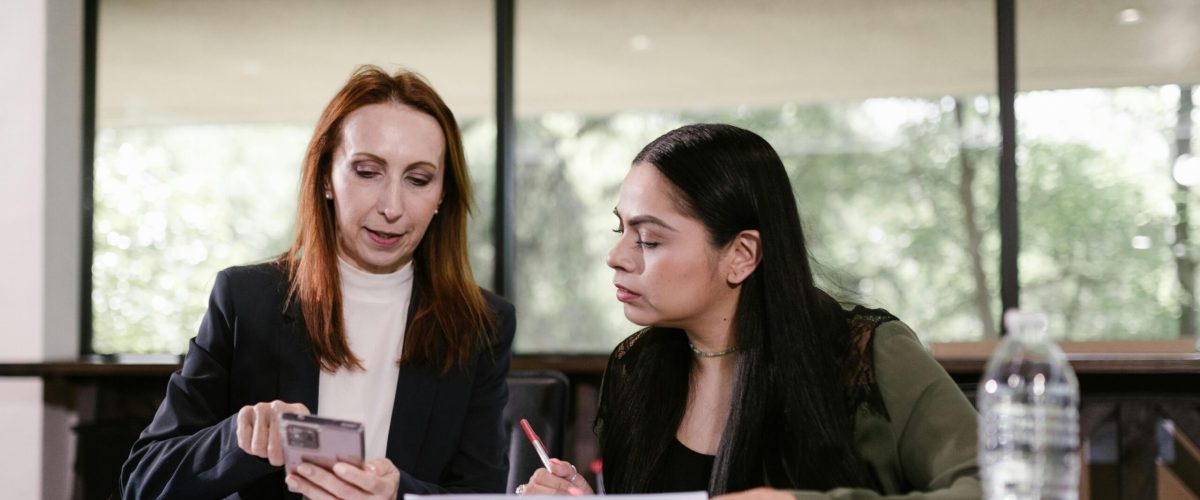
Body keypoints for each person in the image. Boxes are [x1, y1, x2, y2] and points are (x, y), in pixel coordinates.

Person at [518, 124, 980, 499]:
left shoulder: (866, 352)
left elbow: (998, 485)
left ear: (741, 254)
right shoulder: (633, 367)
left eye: (649, 239)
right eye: (620, 228)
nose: (616, 255)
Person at [121, 66, 515, 499]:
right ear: (327, 176)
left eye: (418, 179)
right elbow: (143, 480)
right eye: (368, 172)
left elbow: (480, 493)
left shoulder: (482, 323)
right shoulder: (247, 300)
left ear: (442, 196)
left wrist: (399, 494)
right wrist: (240, 437)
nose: (392, 206)